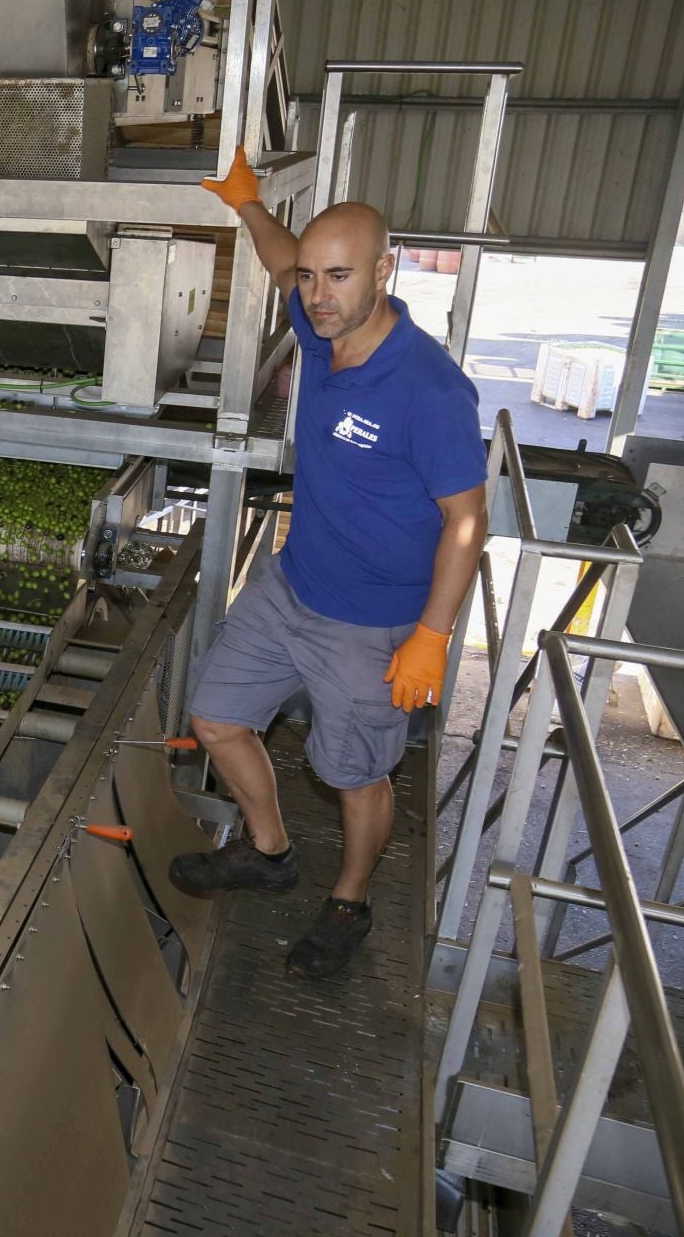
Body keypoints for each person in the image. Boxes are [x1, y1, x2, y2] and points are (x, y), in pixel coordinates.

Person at [169, 146, 489, 979]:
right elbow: (281, 251)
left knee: (356, 772)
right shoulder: (318, 325)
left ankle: (348, 901)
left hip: (371, 622)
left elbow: (467, 521)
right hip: (290, 584)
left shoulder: (429, 389)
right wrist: (246, 203)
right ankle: (270, 852)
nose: (317, 294)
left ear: (385, 269)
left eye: (339, 277)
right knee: (216, 718)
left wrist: (431, 636)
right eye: (312, 278)